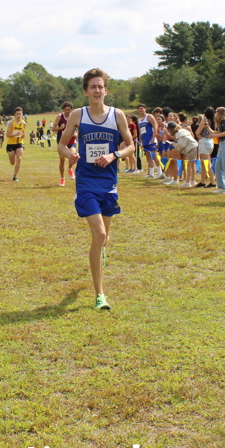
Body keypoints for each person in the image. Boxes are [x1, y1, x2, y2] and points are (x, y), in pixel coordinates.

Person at [58, 68, 135, 311]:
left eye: (100, 86)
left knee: (104, 238)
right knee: (100, 235)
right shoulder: (78, 115)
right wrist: (70, 154)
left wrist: (114, 155)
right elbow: (62, 145)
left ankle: (99, 254)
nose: (97, 90)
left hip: (108, 183)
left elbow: (131, 146)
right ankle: (100, 295)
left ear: (106, 90)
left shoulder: (117, 115)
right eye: (93, 87)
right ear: (86, 91)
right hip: (86, 182)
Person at [53, 101, 77, 187]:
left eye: (69, 110)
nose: (67, 111)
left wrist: (76, 134)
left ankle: (70, 168)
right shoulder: (60, 116)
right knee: (62, 160)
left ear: (71, 110)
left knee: (73, 155)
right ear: (63, 110)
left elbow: (79, 128)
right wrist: (60, 128)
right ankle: (62, 178)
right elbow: (53, 128)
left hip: (71, 141)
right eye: (65, 110)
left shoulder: (74, 117)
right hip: (62, 142)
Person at [136, 105, 160, 179]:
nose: (140, 110)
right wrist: (140, 140)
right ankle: (151, 173)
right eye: (139, 109)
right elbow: (140, 131)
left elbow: (155, 126)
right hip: (145, 140)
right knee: (148, 157)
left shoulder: (149, 116)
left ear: (145, 109)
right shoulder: (139, 120)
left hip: (151, 139)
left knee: (154, 156)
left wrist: (153, 137)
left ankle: (160, 172)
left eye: (142, 108)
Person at [195, 107, 216, 187]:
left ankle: (212, 182)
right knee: (204, 163)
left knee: (206, 163)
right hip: (210, 141)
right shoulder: (213, 121)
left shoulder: (205, 120)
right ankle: (202, 181)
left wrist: (199, 135)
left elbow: (197, 132)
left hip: (204, 141)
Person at [5, 107, 27, 181]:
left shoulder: (24, 123)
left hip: (19, 142)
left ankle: (15, 176)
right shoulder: (11, 123)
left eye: (20, 114)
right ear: (14, 114)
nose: (19, 115)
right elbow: (7, 134)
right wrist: (15, 134)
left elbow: (24, 134)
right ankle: (12, 160)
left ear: (22, 114)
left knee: (19, 158)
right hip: (11, 143)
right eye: (17, 114)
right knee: (12, 162)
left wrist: (23, 135)